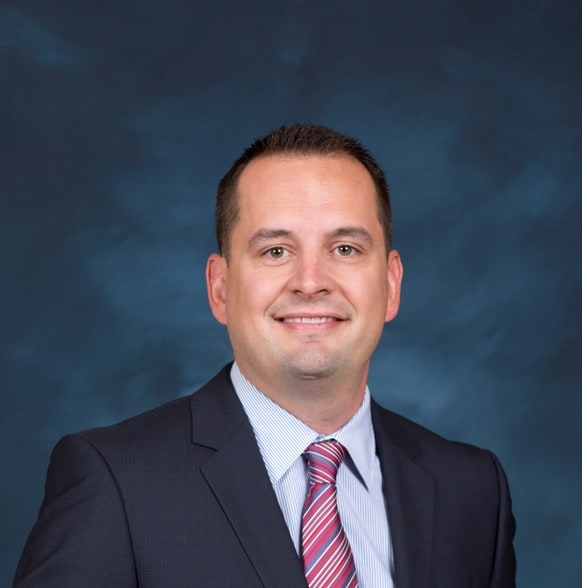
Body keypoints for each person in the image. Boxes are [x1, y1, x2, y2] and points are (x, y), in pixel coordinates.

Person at [14, 123, 516, 587]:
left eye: (345, 248)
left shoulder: (472, 490)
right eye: (276, 251)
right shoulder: (116, 480)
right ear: (220, 287)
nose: (311, 282)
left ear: (391, 284)